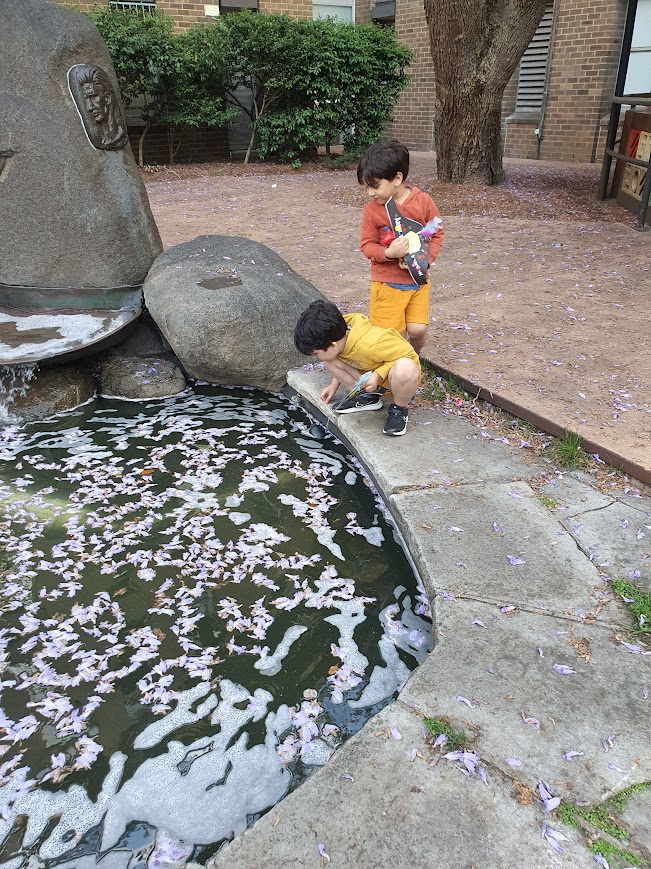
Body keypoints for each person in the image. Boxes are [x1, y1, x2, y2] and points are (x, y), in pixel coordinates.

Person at [357, 140, 444, 354]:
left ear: (397, 178)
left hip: (418, 283)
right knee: (390, 339)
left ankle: (411, 359)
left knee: (418, 330)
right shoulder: (372, 211)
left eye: (374, 186)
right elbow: (367, 245)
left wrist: (427, 260)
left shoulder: (422, 201)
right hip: (387, 286)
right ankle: (394, 372)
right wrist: (388, 253)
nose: (370, 193)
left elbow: (437, 231)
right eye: (366, 187)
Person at [294, 299, 421, 437]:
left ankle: (399, 409)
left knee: (405, 368)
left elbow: (409, 354)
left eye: (315, 353)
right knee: (328, 359)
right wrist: (333, 385)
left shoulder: (371, 344)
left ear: (333, 346)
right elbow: (341, 359)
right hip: (369, 380)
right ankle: (367, 397)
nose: (315, 357)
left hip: (394, 381)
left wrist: (377, 375)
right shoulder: (339, 336)